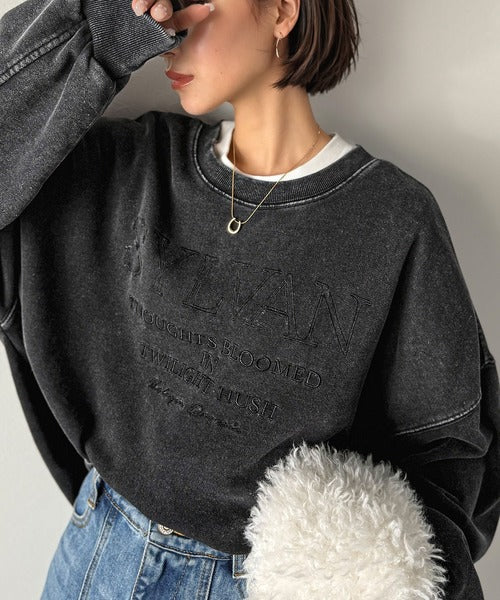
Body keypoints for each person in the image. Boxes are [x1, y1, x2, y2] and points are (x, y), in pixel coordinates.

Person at [0, 1, 498, 598]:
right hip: (96, 557)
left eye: (188, 2)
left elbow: (451, 461)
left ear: (282, 11)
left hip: (257, 581)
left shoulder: (392, 220)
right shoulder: (133, 166)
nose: (167, 34)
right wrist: (105, 25)